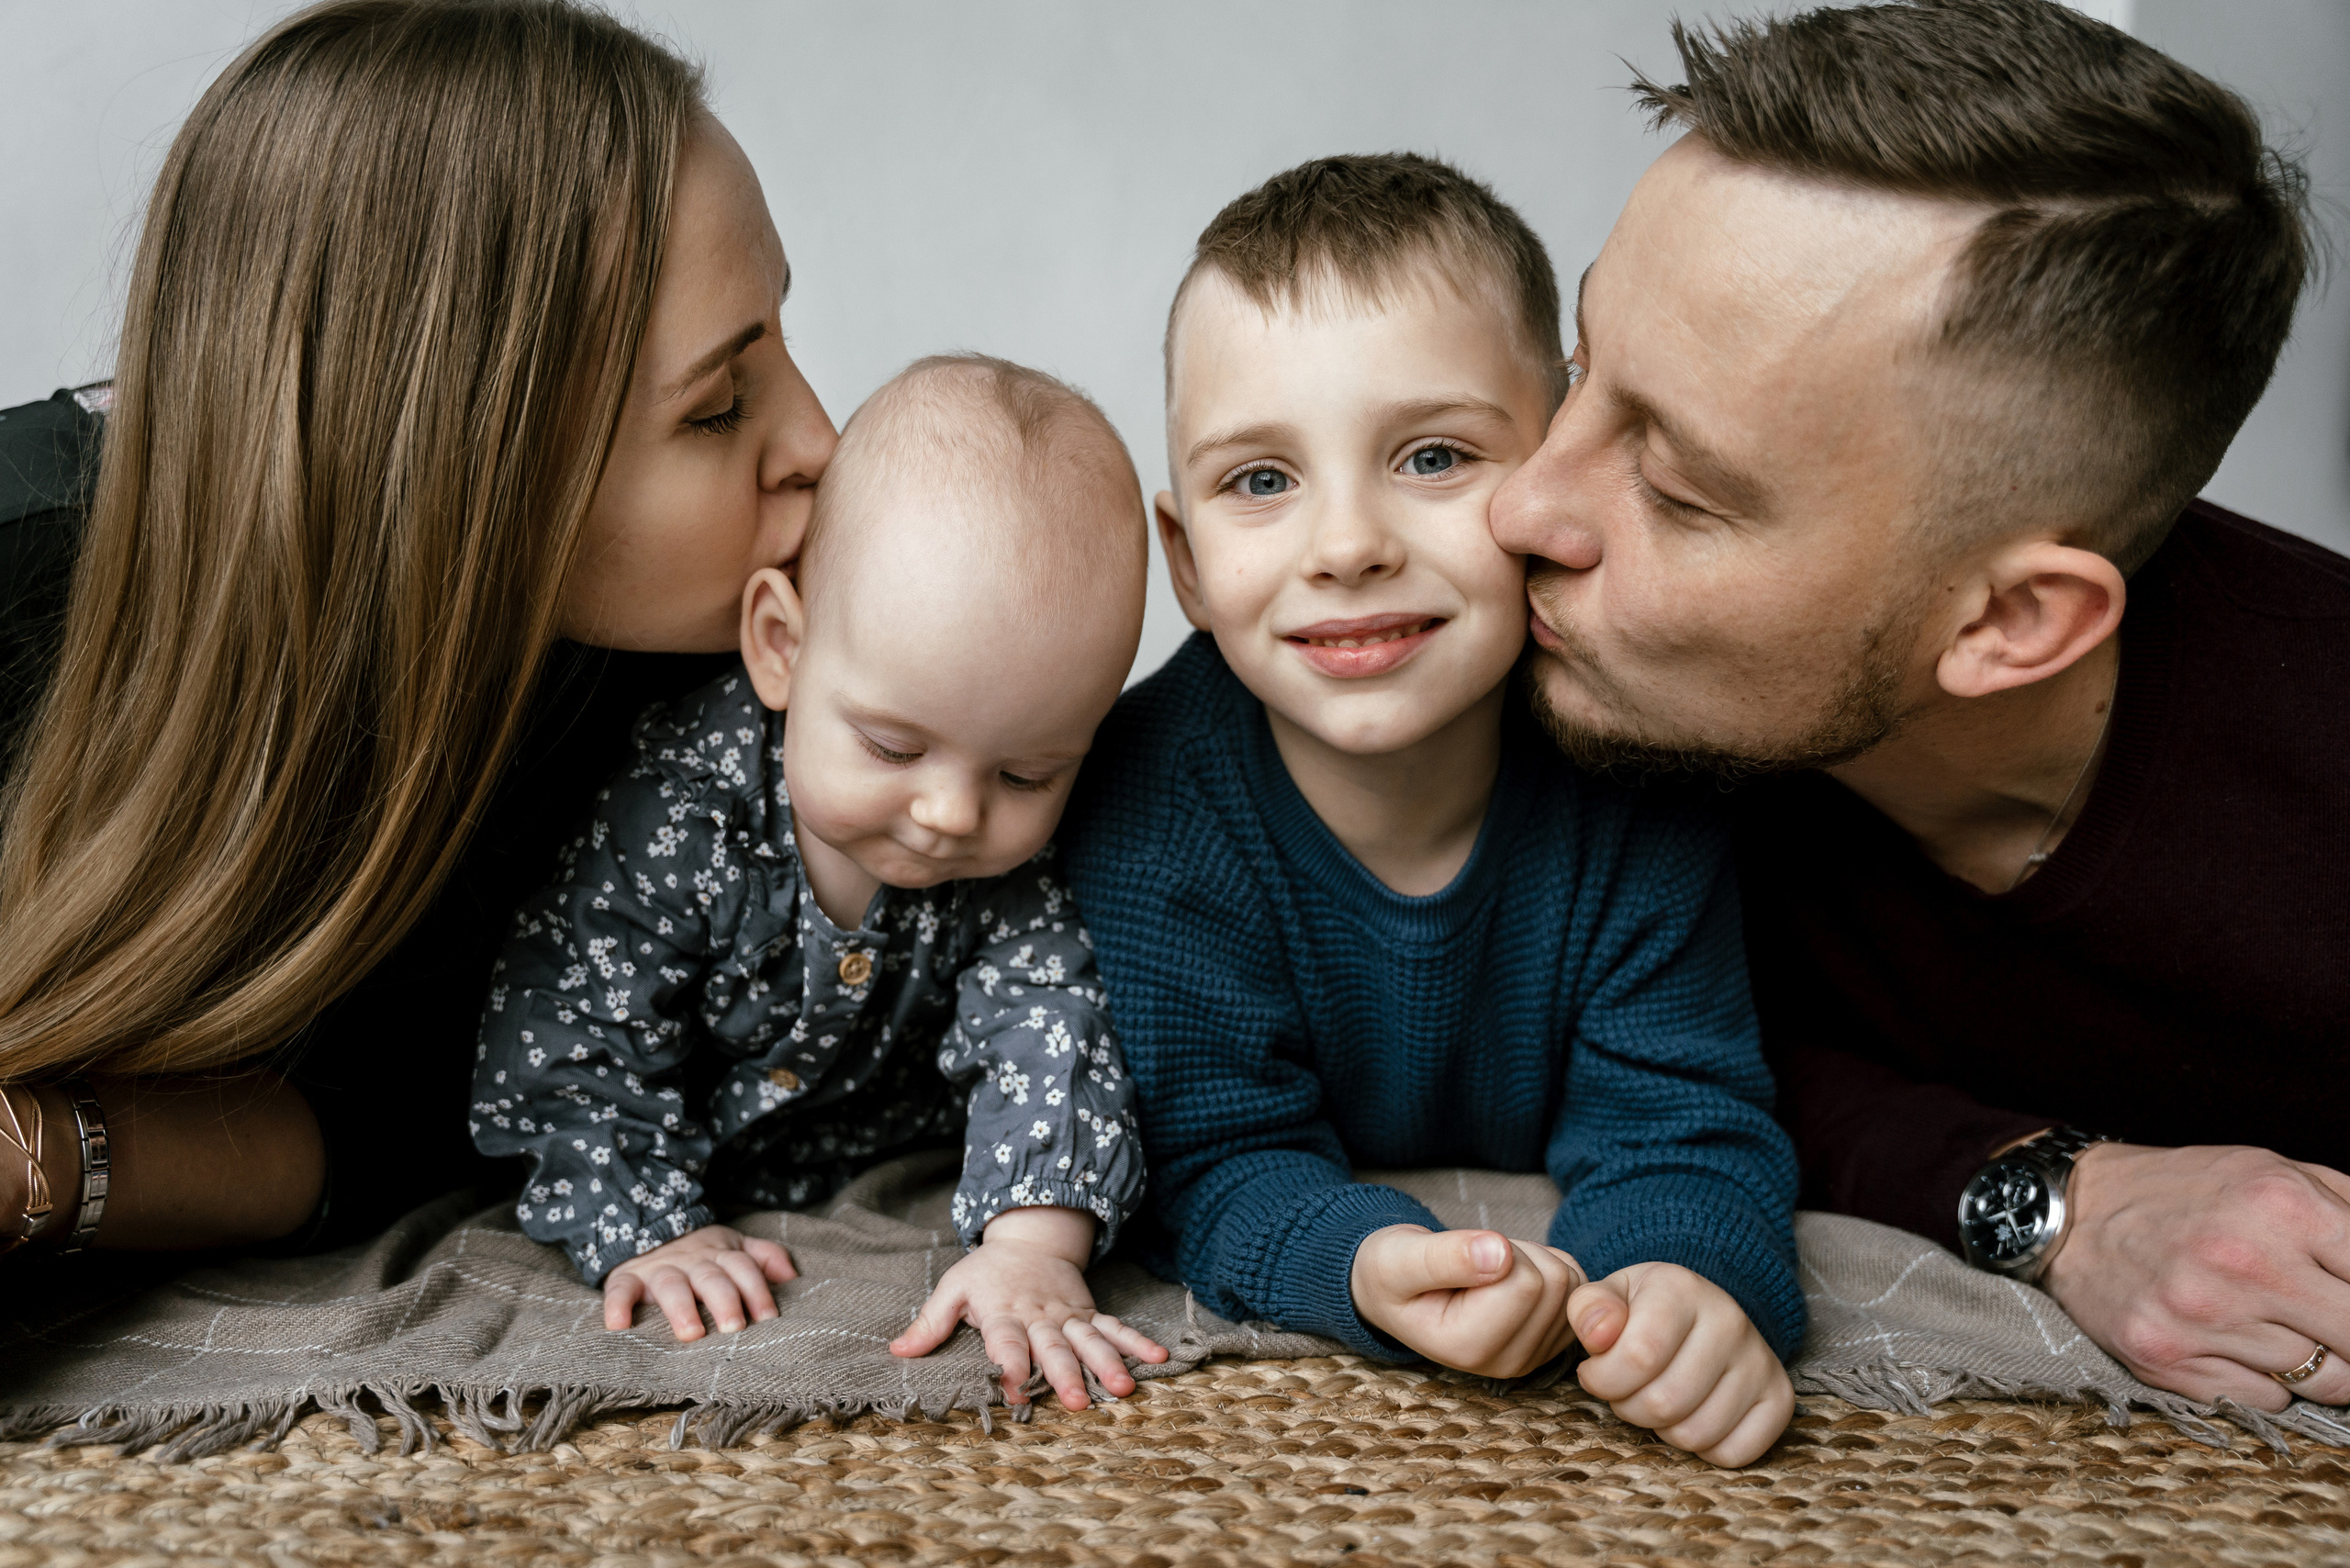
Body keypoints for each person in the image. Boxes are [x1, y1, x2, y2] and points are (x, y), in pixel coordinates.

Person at [1489, 0, 2344, 1415]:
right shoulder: (1570, 684)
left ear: (2013, 625)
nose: (1524, 505)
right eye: (1582, 367)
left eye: (1683, 490)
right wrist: (2057, 1194)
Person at [0, 0, 835, 1260]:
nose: (823, 441)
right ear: (447, 466)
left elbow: (399, 1125)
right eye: (718, 406)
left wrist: (47, 1163)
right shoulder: (24, 560)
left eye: (778, 340)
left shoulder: (670, 700)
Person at [1059, 154, 1802, 1469]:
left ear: (1561, 474)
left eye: (1434, 456)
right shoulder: (1154, 805)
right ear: (1184, 563)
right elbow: (1215, 1156)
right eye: (1261, 482)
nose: (1347, 545)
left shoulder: (1639, 769)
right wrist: (1360, 1262)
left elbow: (1684, 1119)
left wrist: (1686, 1287)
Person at [472, 354, 1167, 1412]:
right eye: (893, 747)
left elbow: (1052, 1022)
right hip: (676, 1160)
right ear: (782, 647)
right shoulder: (684, 807)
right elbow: (566, 1019)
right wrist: (648, 1228)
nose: (952, 813)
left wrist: (1033, 1248)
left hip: (885, 1153)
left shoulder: (1006, 866)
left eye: (1028, 771)